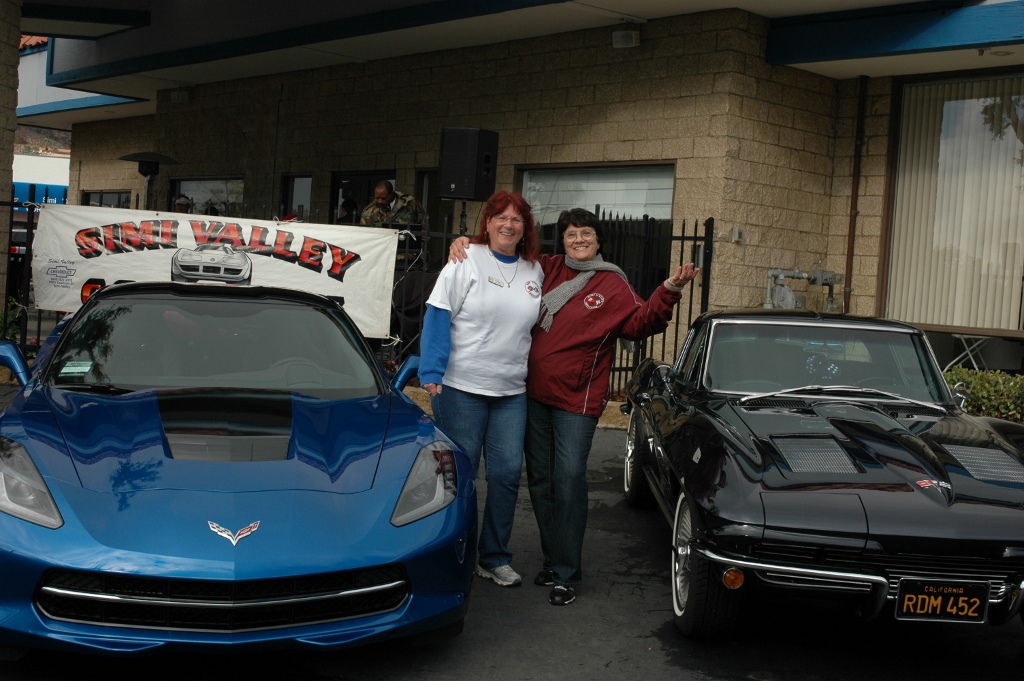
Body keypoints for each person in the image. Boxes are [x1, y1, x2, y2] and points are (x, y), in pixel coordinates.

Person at [450, 208, 698, 606]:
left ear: (598, 240)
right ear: (561, 241)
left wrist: (668, 288)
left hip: (576, 401)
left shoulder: (612, 283)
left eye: (586, 233)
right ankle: (553, 561)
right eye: (570, 234)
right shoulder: (544, 268)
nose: (578, 239)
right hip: (532, 394)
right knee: (543, 482)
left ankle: (567, 573)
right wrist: (467, 243)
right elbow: (505, 252)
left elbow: (640, 323)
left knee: (567, 480)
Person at [419, 191, 544, 588]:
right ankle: (453, 551)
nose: (508, 224)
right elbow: (438, 314)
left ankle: (493, 557)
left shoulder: (535, 271)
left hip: (511, 392)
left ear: (526, 229)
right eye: (500, 217)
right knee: (459, 476)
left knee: (507, 474)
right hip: (461, 387)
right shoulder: (464, 259)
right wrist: (431, 370)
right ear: (487, 223)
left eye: (517, 219)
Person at [360, 180, 424, 227]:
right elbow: (363, 234)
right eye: (377, 198)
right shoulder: (369, 210)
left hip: (406, 243)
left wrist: (420, 244)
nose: (380, 201)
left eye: (383, 198)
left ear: (391, 194)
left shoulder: (410, 202)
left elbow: (423, 226)